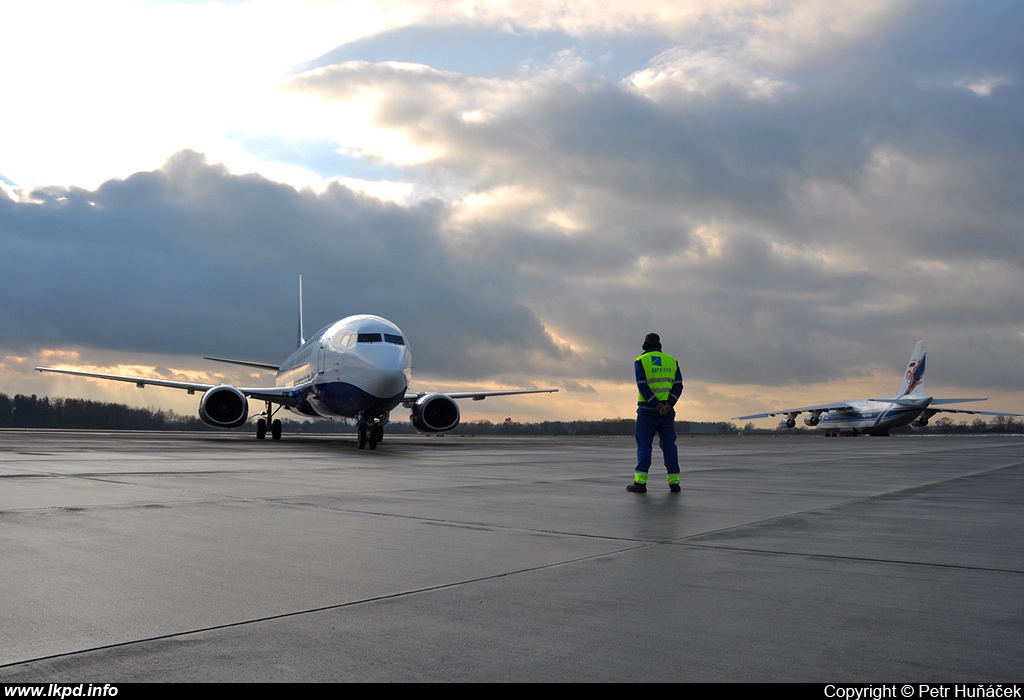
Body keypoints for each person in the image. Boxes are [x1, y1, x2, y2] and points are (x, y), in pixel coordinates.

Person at [628, 333, 683, 493]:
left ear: (645, 345)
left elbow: (642, 386)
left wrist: (656, 405)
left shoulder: (640, 361)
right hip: (667, 412)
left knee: (644, 446)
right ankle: (674, 483)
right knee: (669, 446)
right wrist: (668, 404)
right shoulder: (672, 361)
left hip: (647, 411)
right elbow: (678, 386)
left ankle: (640, 483)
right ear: (660, 345)